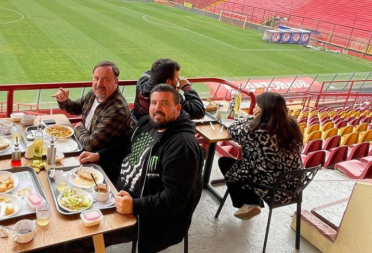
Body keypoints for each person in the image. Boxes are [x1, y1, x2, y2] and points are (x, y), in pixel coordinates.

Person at [77, 84, 203, 253]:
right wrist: (100, 155)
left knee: (81, 237)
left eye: (164, 103)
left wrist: (134, 206)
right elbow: (123, 143)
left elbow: (174, 199)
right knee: (76, 207)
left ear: (177, 108)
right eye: (153, 103)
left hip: (144, 216)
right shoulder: (147, 123)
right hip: (117, 191)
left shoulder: (182, 146)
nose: (157, 108)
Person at [218, 92, 303, 220]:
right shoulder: (292, 125)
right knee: (249, 164)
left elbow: (232, 128)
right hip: (294, 186)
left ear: (265, 110)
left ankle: (250, 202)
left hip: (273, 188)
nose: (255, 108)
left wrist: (252, 118)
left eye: (258, 107)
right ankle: (251, 202)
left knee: (225, 162)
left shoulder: (255, 131)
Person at [52, 60, 131, 182]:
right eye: (96, 78)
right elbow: (75, 108)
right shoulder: (94, 93)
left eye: (105, 79)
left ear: (116, 81)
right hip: (81, 149)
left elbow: (90, 144)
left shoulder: (117, 110)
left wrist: (78, 127)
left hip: (100, 166)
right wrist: (64, 101)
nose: (99, 84)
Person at [131, 58, 205, 123]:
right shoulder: (169, 98)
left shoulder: (142, 81)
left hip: (136, 123)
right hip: (155, 133)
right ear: (168, 82)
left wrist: (173, 86)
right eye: (177, 78)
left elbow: (150, 72)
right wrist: (187, 87)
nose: (178, 80)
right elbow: (199, 111)